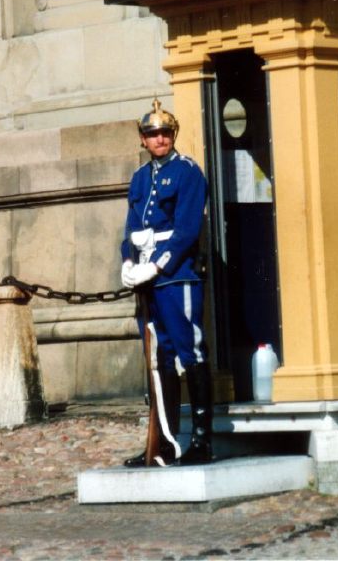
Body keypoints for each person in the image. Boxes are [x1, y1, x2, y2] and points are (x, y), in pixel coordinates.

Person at [121, 98, 213, 466]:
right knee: (159, 358)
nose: (158, 139)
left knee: (190, 352)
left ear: (173, 135)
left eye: (163, 132)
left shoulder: (188, 171)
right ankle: (166, 443)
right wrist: (127, 260)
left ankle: (203, 440)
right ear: (143, 140)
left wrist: (157, 265)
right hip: (147, 281)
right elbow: (131, 226)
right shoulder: (141, 178)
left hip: (176, 276)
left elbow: (188, 229)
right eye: (151, 134)